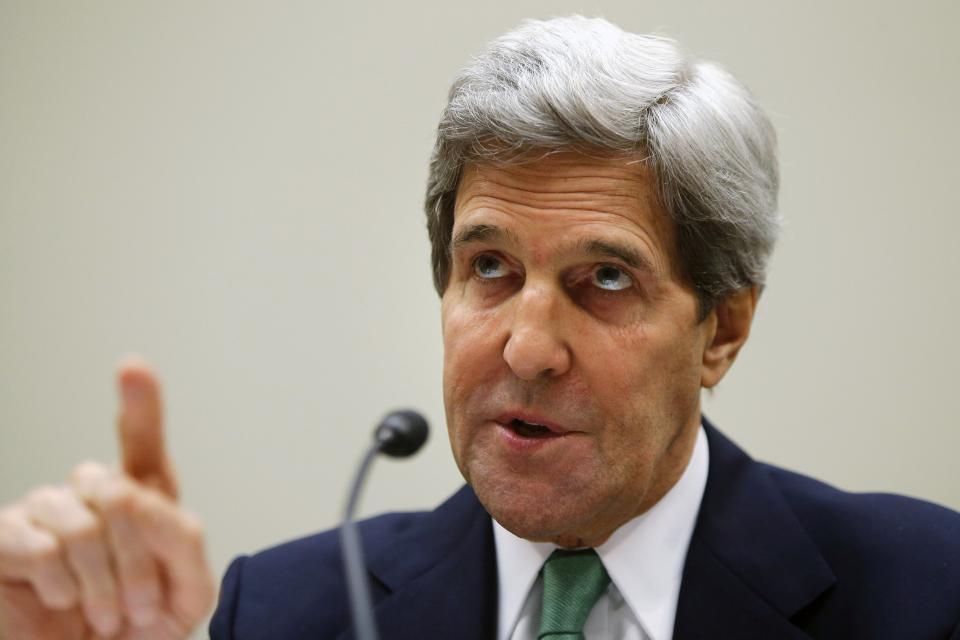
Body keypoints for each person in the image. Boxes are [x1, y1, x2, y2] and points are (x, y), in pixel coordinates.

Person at [2, 15, 958, 640]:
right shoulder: (287, 614)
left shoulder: (927, 596)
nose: (526, 348)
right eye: (489, 269)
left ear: (723, 330)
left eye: (606, 279)